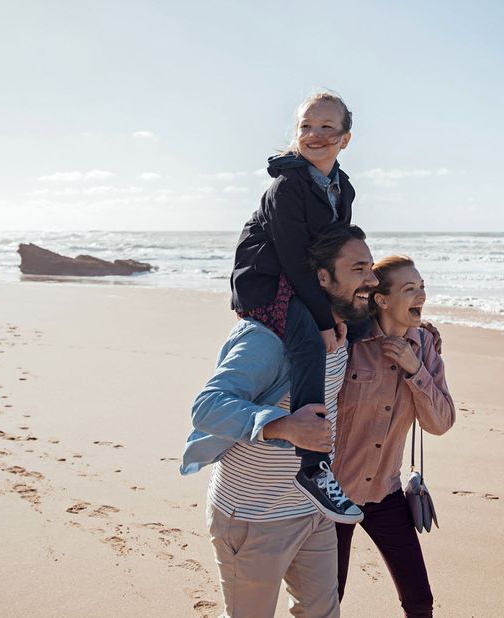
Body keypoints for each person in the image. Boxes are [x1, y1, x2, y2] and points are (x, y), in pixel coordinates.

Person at [182, 226, 378, 617]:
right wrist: (282, 425)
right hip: (254, 518)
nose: (371, 280)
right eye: (359, 269)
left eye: (371, 269)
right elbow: (207, 406)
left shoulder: (340, 333)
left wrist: (421, 338)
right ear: (323, 277)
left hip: (311, 511)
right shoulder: (267, 339)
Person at [229, 90, 362, 523]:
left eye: (327, 127)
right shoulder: (287, 185)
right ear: (296, 133)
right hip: (266, 280)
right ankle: (313, 467)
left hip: (304, 276)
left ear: (345, 138)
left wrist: (354, 305)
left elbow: (335, 252)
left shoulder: (343, 188)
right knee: (309, 341)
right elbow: (289, 257)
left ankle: (358, 436)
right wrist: (325, 320)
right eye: (307, 126)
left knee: (365, 321)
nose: (315, 135)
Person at [332, 255, 456, 618]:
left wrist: (415, 368)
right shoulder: (348, 344)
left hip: (385, 493)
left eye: (422, 287)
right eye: (409, 288)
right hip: (333, 497)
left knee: (420, 601)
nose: (421, 295)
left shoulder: (425, 346)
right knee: (327, 600)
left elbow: (441, 422)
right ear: (382, 300)